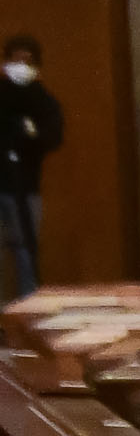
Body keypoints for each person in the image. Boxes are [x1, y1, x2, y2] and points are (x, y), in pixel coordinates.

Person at [0, 35, 58, 300]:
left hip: (27, 187)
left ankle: (28, 310)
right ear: (6, 62)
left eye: (28, 61)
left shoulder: (43, 101)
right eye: (16, 59)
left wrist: (29, 138)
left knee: (25, 250)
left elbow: (52, 137)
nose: (21, 65)